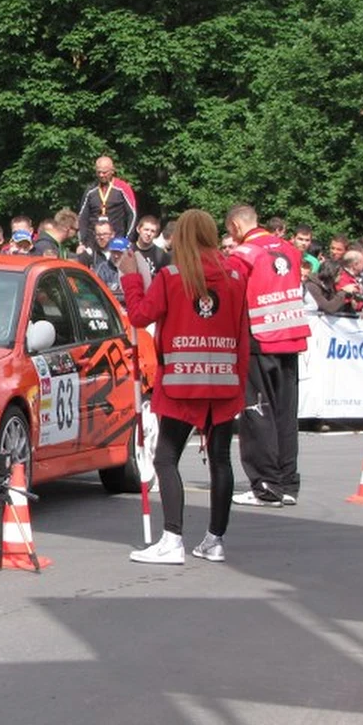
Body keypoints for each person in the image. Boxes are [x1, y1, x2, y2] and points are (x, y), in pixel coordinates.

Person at [118, 209, 249, 564]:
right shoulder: (236, 277)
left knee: (165, 459)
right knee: (220, 461)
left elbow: (140, 316)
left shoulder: (172, 276)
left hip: (180, 383)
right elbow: (243, 334)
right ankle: (214, 540)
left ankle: (172, 538)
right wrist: (241, 383)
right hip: (223, 383)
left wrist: (130, 278)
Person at [225, 203, 311, 507]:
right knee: (285, 414)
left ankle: (265, 485)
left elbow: (230, 294)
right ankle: (287, 483)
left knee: (257, 412)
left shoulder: (243, 254)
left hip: (259, 339)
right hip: (290, 335)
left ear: (235, 226)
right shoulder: (290, 249)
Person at [77, 156, 137, 250]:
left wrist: (128, 239)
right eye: (98, 172)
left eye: (104, 172)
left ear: (112, 170)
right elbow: (82, 217)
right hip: (93, 241)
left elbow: (132, 214)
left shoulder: (123, 188)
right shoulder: (90, 190)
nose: (101, 175)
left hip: (116, 240)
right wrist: (82, 242)